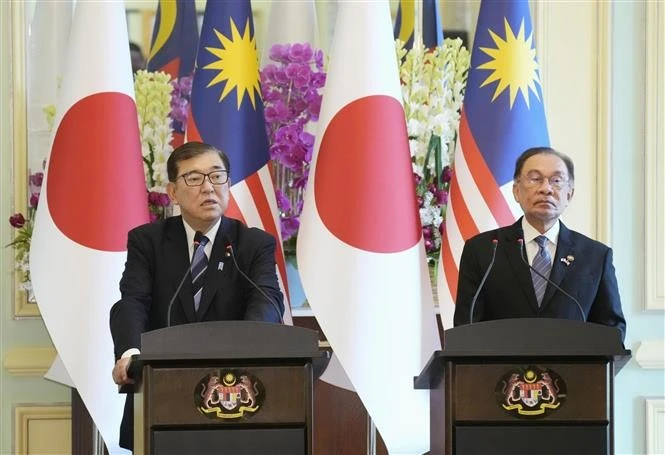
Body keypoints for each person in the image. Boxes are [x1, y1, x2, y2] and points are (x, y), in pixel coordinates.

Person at [110, 141, 284, 450]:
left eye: (217, 176)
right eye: (194, 178)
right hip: (162, 396)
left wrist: (249, 352)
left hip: (238, 399)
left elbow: (267, 302)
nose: (208, 187)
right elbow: (132, 302)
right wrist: (130, 353)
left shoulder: (253, 244)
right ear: (173, 192)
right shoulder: (147, 241)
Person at [453, 146, 626, 341]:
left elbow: (613, 331)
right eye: (535, 179)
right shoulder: (484, 250)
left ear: (569, 194)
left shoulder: (595, 256)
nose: (546, 188)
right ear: (516, 191)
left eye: (556, 181)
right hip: (500, 370)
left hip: (573, 371)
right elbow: (466, 328)